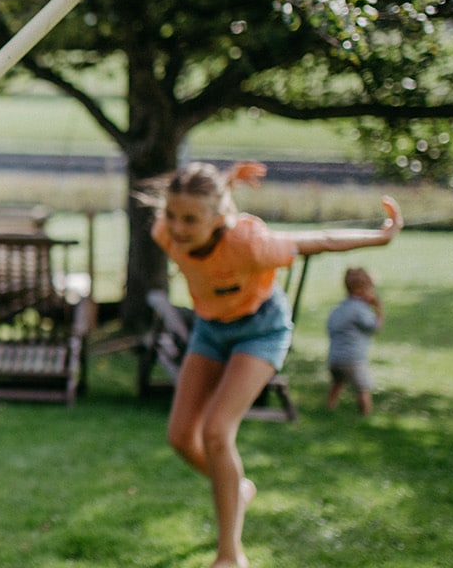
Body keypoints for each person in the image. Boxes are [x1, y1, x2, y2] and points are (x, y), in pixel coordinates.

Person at [150, 161, 401, 568]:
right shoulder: (166, 233)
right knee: (180, 437)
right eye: (172, 215)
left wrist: (380, 237)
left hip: (260, 330)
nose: (177, 228)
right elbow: (190, 214)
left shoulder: (249, 243)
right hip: (211, 328)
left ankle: (230, 556)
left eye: (190, 219)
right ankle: (238, 487)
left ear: (218, 217)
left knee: (216, 432)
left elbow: (317, 239)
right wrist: (224, 182)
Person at [325, 266, 384, 416]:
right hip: (353, 360)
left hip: (334, 358)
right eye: (370, 289)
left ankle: (329, 408)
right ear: (360, 290)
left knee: (337, 384)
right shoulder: (360, 310)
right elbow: (374, 327)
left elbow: (330, 327)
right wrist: (378, 308)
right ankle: (365, 415)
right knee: (363, 388)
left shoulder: (338, 308)